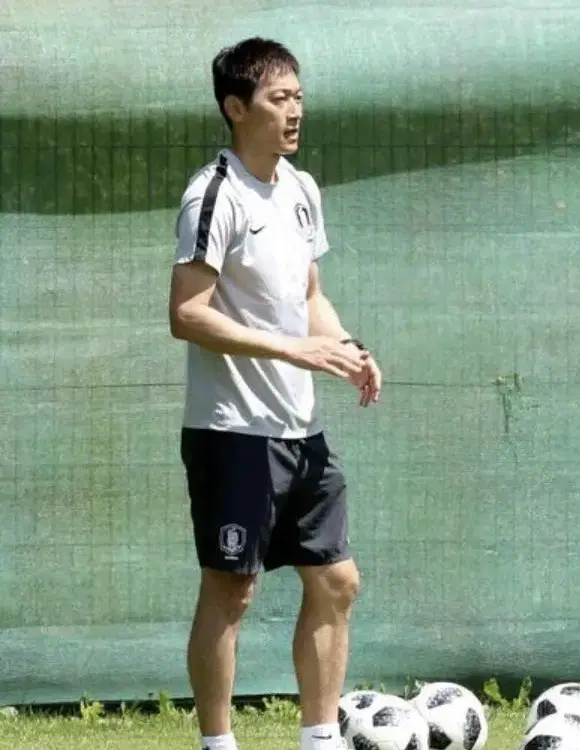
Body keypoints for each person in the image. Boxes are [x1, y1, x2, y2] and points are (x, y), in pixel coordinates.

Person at [168, 36, 382, 750]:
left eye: (299, 96)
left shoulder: (301, 188)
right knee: (233, 592)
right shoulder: (214, 195)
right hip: (232, 430)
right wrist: (298, 349)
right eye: (278, 99)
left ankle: (321, 741)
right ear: (236, 108)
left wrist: (346, 349)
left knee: (337, 581)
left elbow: (308, 292)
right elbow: (187, 313)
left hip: (301, 428)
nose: (295, 112)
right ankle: (218, 745)